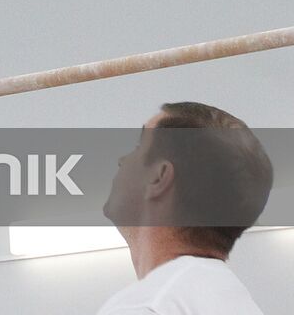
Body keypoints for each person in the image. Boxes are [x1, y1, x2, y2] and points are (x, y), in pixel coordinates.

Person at [99, 101, 273, 314]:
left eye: (138, 147)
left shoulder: (147, 306)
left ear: (159, 178)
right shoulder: (236, 301)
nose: (122, 160)